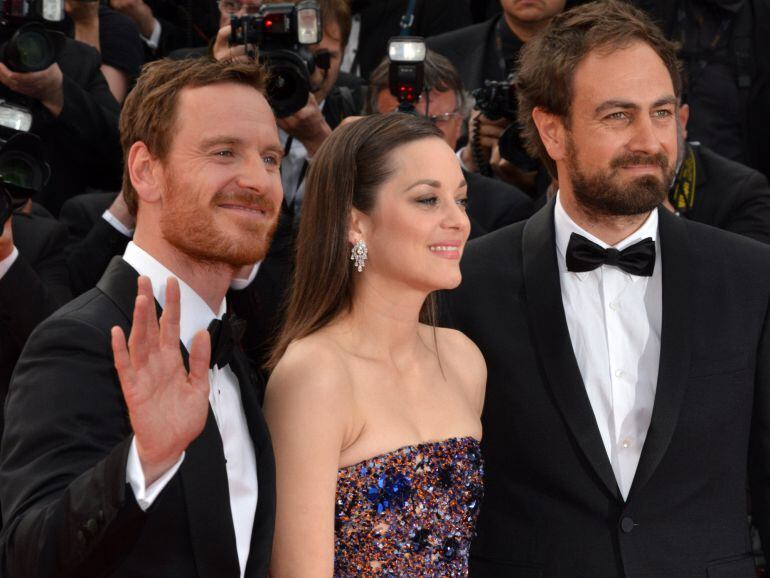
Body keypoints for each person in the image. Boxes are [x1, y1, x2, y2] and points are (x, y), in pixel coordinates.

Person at [442, 2, 770, 576]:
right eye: (619, 116)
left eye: (662, 113)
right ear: (553, 130)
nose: (650, 140)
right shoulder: (465, 283)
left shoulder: (751, 277)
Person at [0, 57, 281, 577]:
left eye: (270, 159)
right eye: (224, 152)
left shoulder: (234, 354)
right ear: (146, 172)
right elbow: (26, 559)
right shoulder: (79, 339)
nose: (259, 180)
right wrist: (144, 461)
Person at [264, 113, 486, 577]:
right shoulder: (314, 375)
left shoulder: (462, 360)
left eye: (461, 200)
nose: (458, 221)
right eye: (428, 200)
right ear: (355, 225)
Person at [366, 49, 534, 237]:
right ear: (369, 124)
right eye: (403, 120)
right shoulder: (352, 196)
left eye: (438, 119)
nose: (420, 133)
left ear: (458, 124)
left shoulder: (504, 207)